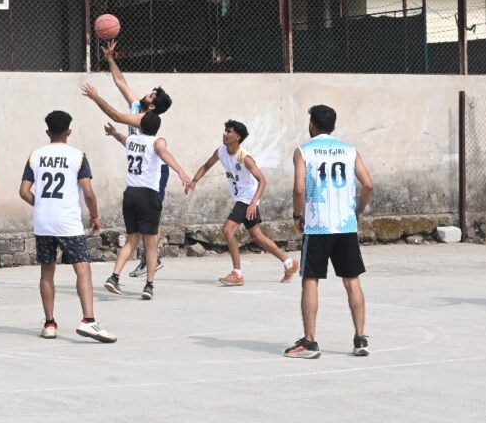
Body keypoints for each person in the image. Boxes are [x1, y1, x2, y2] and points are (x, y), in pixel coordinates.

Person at [19, 110, 116, 342]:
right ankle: (89, 321)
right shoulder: (78, 156)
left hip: (43, 222)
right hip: (68, 222)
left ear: (47, 132)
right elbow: (88, 193)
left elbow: (23, 191)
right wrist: (95, 216)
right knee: (82, 267)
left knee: (47, 270)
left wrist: (41, 205)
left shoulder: (35, 156)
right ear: (69, 131)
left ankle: (50, 324)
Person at [285, 105, 373, 359]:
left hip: (318, 225)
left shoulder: (303, 151)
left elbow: (299, 189)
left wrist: (297, 215)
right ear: (333, 126)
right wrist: (359, 210)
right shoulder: (349, 150)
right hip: (345, 225)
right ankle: (360, 339)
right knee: (352, 280)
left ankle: (310, 342)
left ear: (311, 125)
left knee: (310, 280)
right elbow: (368, 184)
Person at [81, 40, 173, 279]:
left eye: (151, 94)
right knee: (142, 218)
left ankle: (151, 259)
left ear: (152, 106)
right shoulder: (136, 106)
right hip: (142, 169)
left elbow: (114, 115)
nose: (147, 93)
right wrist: (110, 59)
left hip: (156, 171)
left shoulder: (142, 119)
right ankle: (150, 258)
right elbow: (121, 82)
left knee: (150, 217)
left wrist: (96, 97)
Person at [189, 120, 297, 286]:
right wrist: (194, 181)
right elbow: (206, 165)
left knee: (227, 230)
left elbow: (262, 181)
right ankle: (289, 263)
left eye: (229, 131)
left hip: (247, 198)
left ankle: (237, 274)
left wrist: (253, 203)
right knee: (257, 236)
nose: (224, 134)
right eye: (225, 130)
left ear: (237, 137)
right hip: (241, 198)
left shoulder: (245, 158)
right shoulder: (221, 151)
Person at [102, 112, 192, 301]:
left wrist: (113, 132)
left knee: (131, 240)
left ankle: (114, 277)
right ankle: (149, 285)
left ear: (140, 126)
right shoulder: (157, 142)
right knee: (151, 245)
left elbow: (121, 138)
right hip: (148, 195)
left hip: (130, 194)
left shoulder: (132, 140)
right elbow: (163, 152)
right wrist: (181, 172)